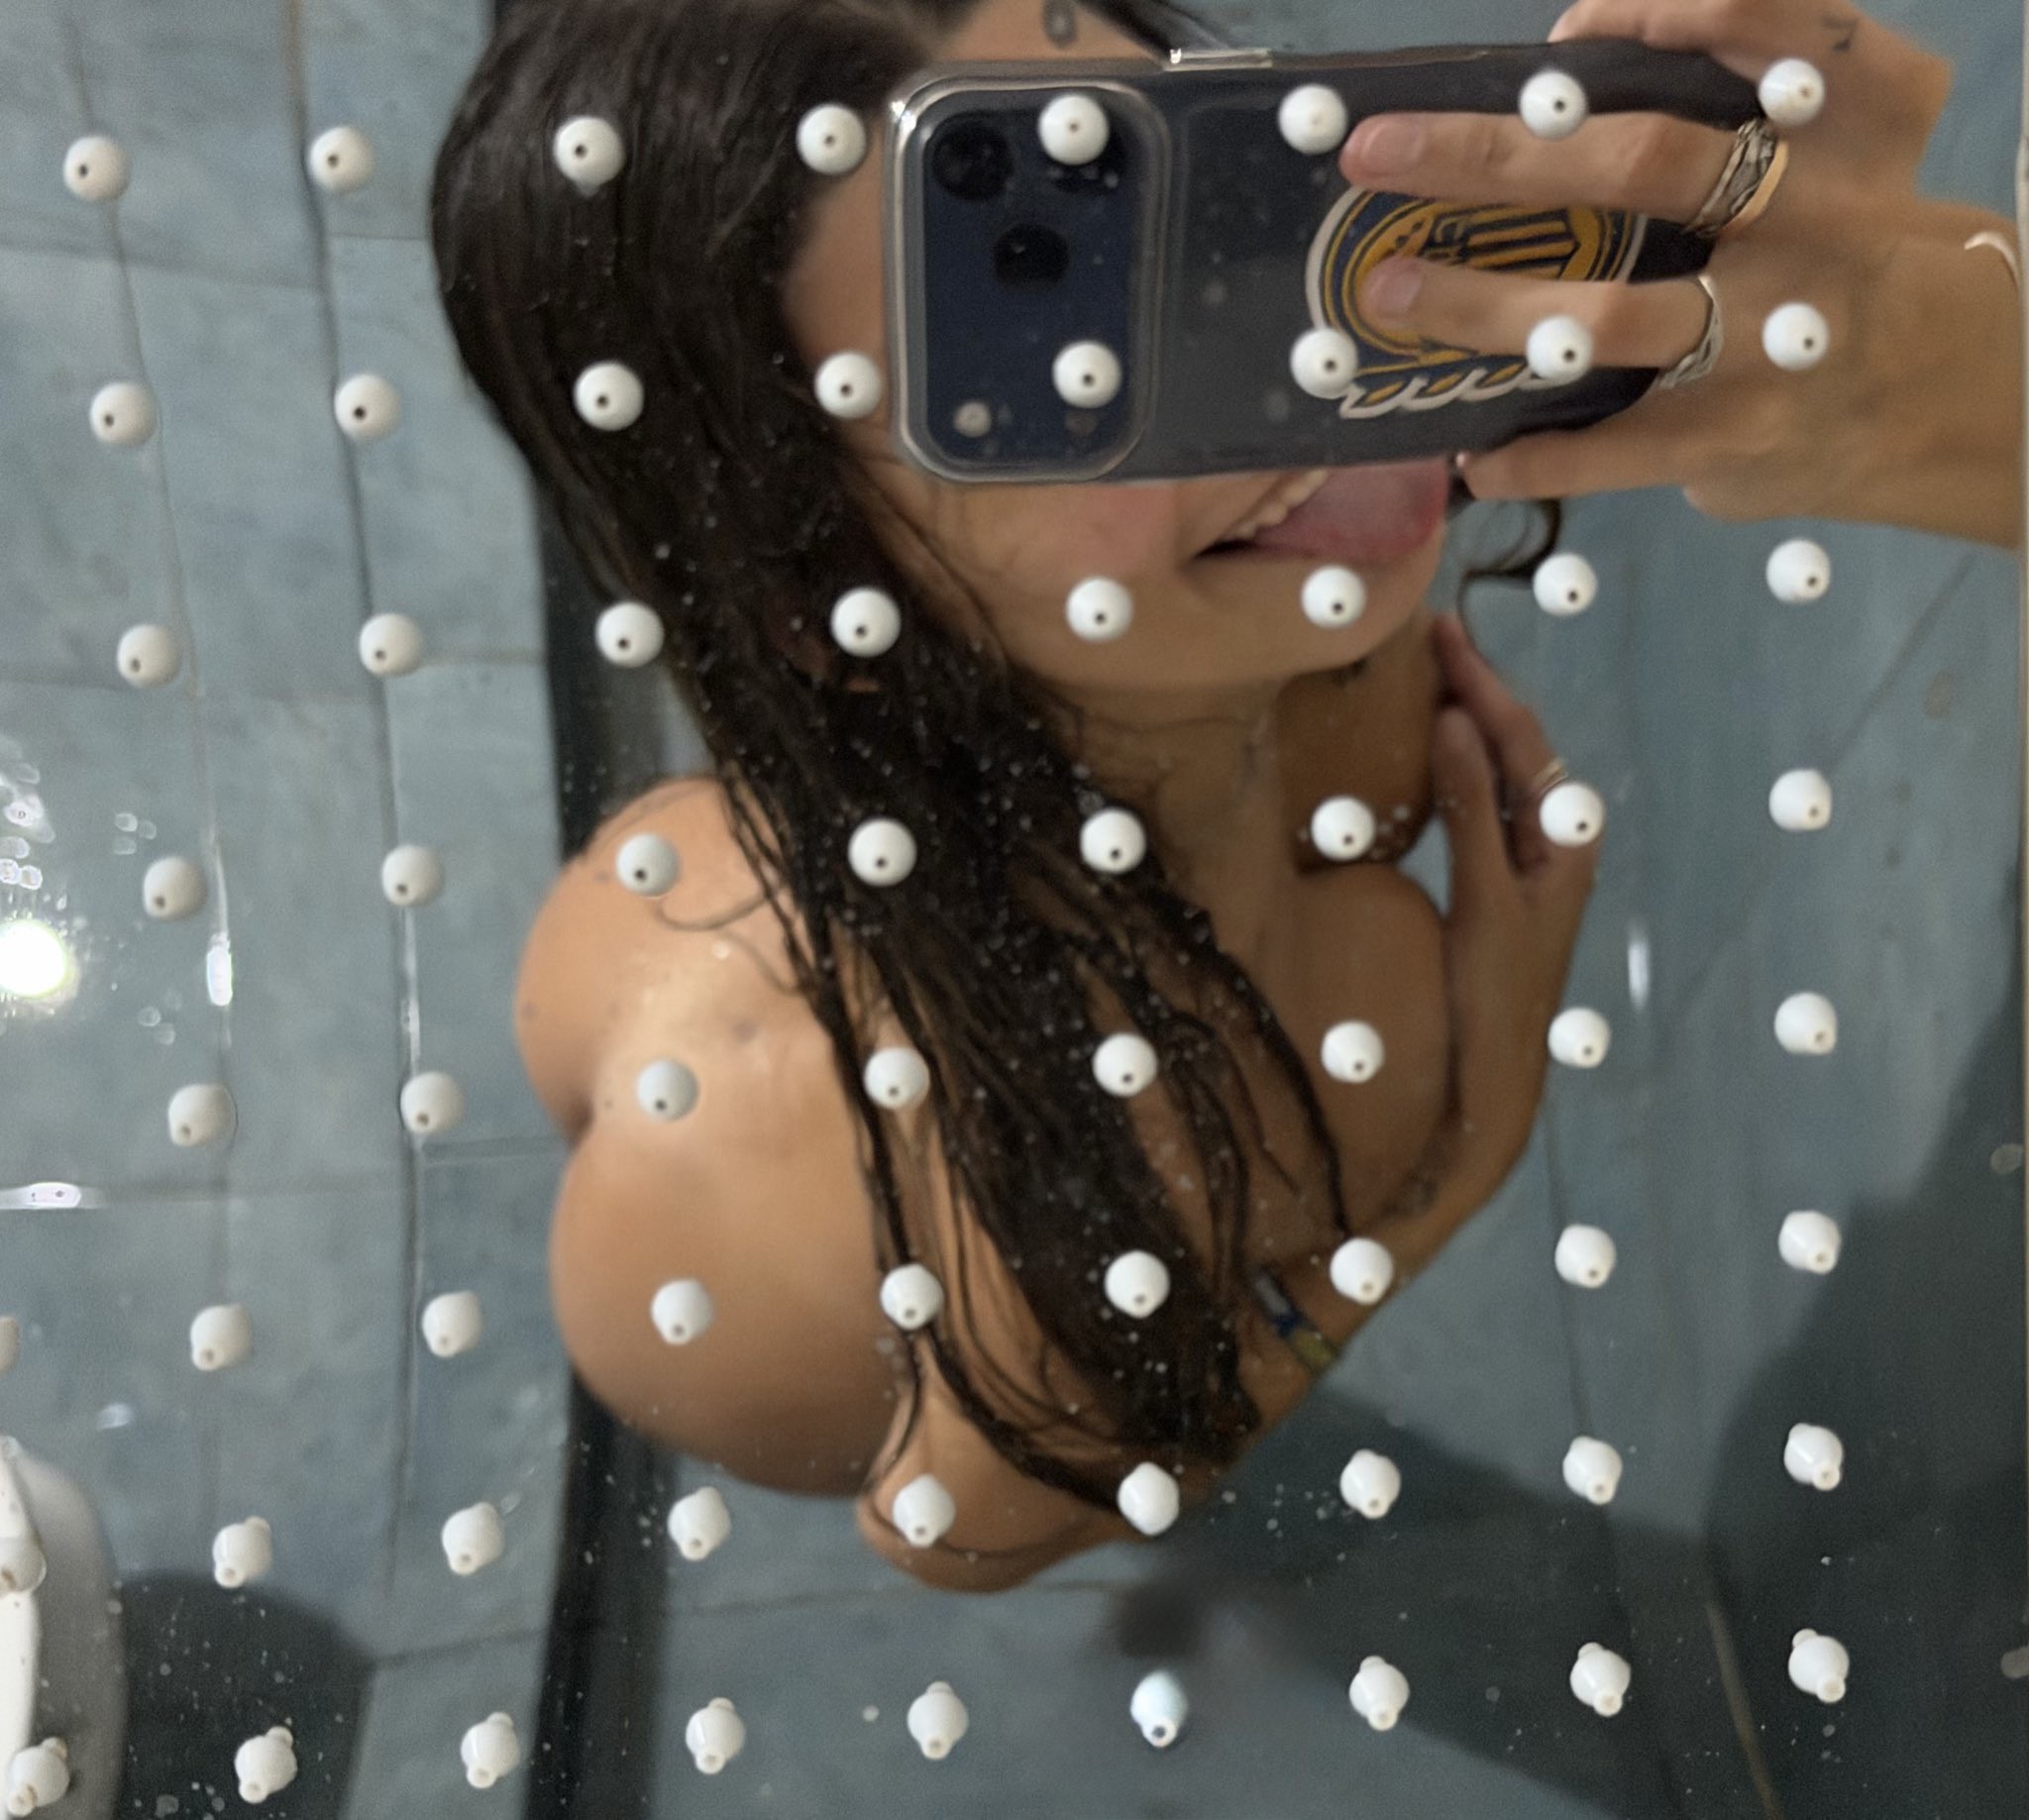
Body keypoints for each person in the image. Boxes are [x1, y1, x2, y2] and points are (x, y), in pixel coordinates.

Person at [429, 0, 2004, 1592]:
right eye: (1052, 351)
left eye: (1188, 183)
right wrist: (1441, 1187)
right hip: (739, 1265)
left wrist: (1884, 294)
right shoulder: (1072, 1169)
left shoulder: (1305, 652)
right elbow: (947, 1528)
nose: (1277, 345)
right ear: (818, 599)